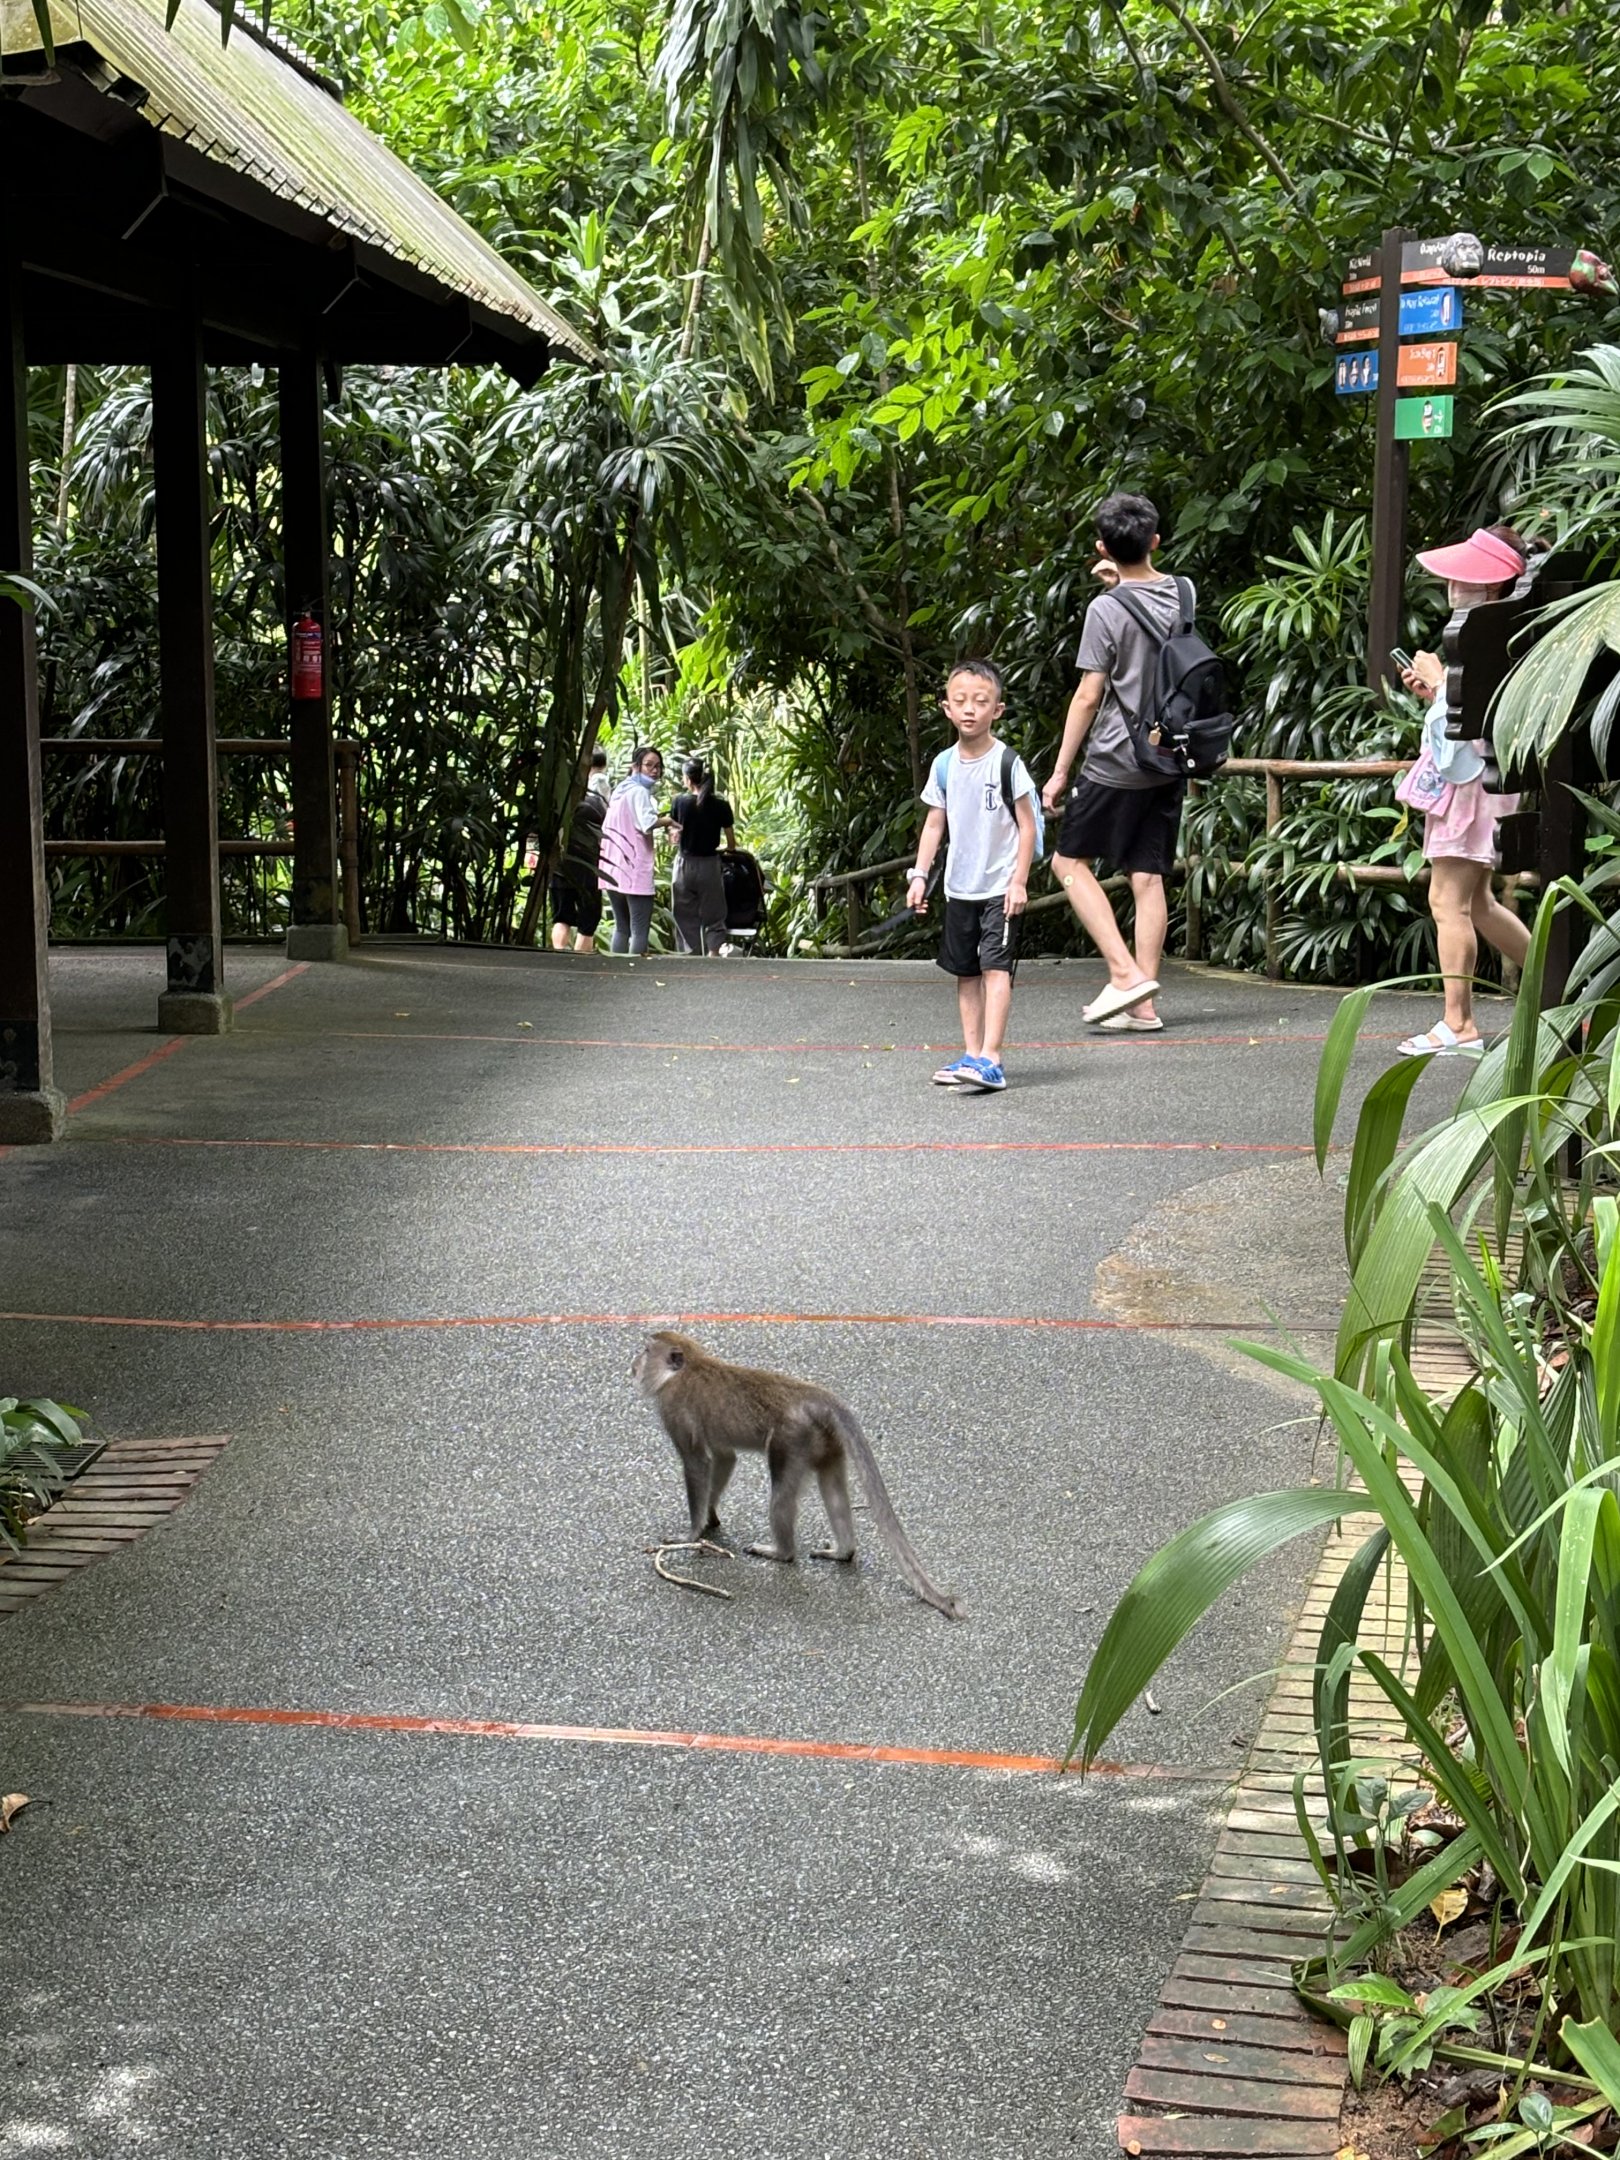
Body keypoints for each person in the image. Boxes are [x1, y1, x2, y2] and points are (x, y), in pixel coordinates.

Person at [1041, 492, 1188, 1032]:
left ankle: (1124, 975)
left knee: (1067, 863)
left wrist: (1060, 772)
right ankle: (1143, 1007)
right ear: (1155, 541)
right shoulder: (1184, 593)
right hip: (1169, 754)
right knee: (1147, 876)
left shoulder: (1105, 610)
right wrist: (1118, 584)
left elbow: (1089, 694)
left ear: (1103, 547)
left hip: (1116, 758)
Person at [1395, 523, 1532, 1057]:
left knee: (1446, 900)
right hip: (1487, 783)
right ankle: (1561, 995)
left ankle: (1459, 1023)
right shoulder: (1509, 634)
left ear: (1494, 584)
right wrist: (1437, 691)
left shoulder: (1487, 642)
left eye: (1466, 578)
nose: (1454, 586)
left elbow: (1468, 730)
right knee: (1477, 904)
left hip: (1470, 787)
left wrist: (1438, 686)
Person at [906, 659, 1039, 1093]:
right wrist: (919, 876)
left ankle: (992, 1059)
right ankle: (971, 1055)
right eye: (960, 701)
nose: (970, 709)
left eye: (981, 702)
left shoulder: (1007, 763)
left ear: (997, 710)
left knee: (995, 968)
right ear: (946, 708)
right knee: (966, 972)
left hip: (1000, 887)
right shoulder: (944, 765)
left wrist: (1019, 881)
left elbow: (1028, 825)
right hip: (959, 887)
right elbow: (934, 824)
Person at [598, 745, 670, 956]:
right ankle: (633, 970)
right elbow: (647, 823)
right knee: (639, 930)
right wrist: (669, 821)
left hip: (613, 867)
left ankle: (617, 969)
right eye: (649, 765)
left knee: (622, 927)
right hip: (634, 868)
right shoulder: (639, 792)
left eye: (658, 766)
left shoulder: (620, 791)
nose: (654, 770)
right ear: (635, 766)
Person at [670, 757, 737, 956]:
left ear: (688, 779)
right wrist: (727, 849)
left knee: (684, 913)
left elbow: (674, 833)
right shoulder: (721, 805)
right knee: (714, 914)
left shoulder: (680, 802)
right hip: (709, 866)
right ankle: (713, 952)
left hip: (684, 865)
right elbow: (731, 842)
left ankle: (691, 955)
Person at [549, 765, 608, 954]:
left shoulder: (556, 805)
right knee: (587, 924)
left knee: (561, 919)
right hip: (587, 872)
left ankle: (559, 956)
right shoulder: (595, 803)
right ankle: (580, 960)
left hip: (560, 869)